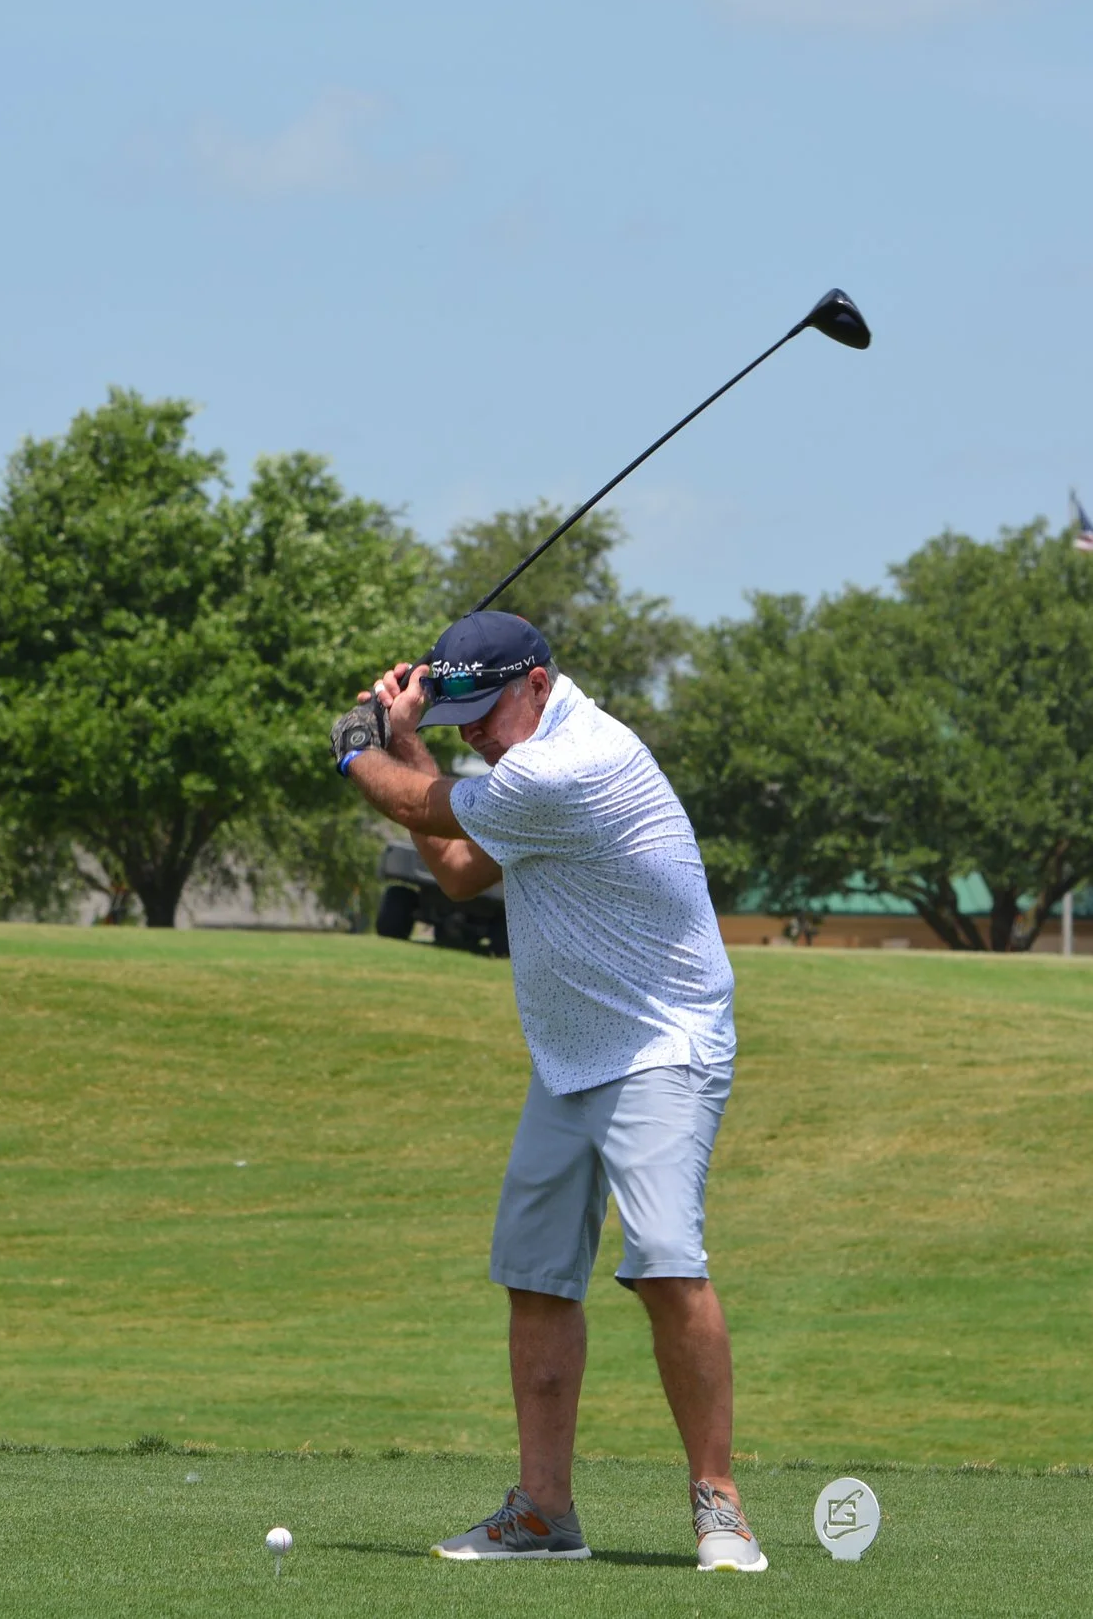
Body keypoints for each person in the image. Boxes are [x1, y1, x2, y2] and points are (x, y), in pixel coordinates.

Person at [331, 610, 765, 1574]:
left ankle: (720, 1504)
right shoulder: (523, 767)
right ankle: (543, 1514)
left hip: (663, 1043)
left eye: (487, 711)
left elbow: (420, 807)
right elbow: (454, 871)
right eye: (462, 718)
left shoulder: (574, 765)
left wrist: (359, 744)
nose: (477, 732)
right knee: (535, 1274)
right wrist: (408, 729)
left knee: (662, 1259)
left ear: (537, 683)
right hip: (569, 1055)